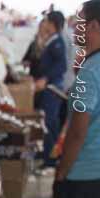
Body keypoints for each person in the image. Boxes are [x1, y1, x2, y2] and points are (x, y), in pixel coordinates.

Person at [55, 0, 100, 198]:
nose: (75, 29)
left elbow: (77, 131)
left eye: (80, 22)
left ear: (94, 26)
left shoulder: (89, 72)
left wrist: (62, 171)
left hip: (82, 177)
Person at [36, 11, 68, 166]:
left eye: (47, 21)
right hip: (49, 87)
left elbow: (61, 66)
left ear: (53, 23)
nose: (45, 24)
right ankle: (52, 155)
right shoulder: (52, 40)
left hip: (52, 88)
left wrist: (46, 78)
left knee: (48, 123)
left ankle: (49, 160)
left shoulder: (57, 43)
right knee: (52, 124)